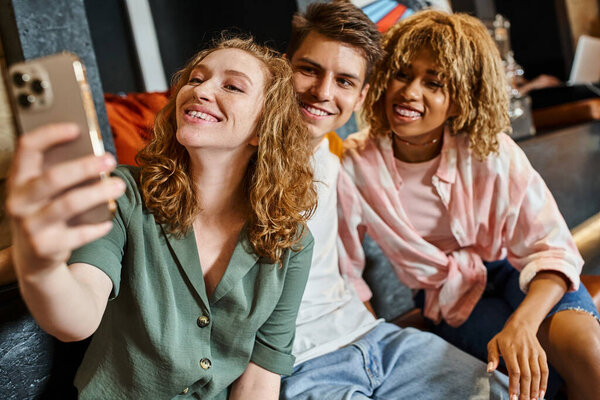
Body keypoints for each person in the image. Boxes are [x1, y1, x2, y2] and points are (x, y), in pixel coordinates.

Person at [7, 37, 317, 399]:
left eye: (232, 86)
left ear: (264, 128)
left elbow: (262, 373)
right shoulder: (124, 193)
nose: (200, 90)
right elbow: (77, 317)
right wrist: (39, 265)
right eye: (196, 79)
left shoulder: (291, 240)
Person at [337, 10, 600, 400]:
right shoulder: (355, 163)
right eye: (403, 74)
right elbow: (348, 273)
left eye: (434, 83)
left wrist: (524, 323)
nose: (410, 92)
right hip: (447, 296)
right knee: (542, 373)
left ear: (460, 99)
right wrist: (375, 345)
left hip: (519, 270)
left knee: (587, 353)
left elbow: (552, 248)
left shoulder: (491, 149)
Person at [280, 2, 509, 399]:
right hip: (299, 364)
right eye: (309, 70)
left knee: (499, 392)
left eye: (345, 81)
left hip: (376, 339)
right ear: (283, 68)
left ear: (363, 95)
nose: (323, 92)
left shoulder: (334, 164)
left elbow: (345, 268)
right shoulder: (229, 157)